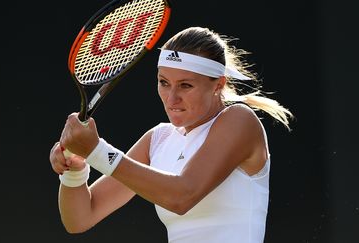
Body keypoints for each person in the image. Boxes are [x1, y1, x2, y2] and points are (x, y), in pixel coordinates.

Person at [49, 26, 293, 243]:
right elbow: (80, 219)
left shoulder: (239, 120)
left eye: (186, 85)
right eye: (164, 82)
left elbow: (182, 196)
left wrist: (96, 151)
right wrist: (75, 170)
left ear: (218, 84)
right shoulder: (158, 139)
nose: (172, 98)